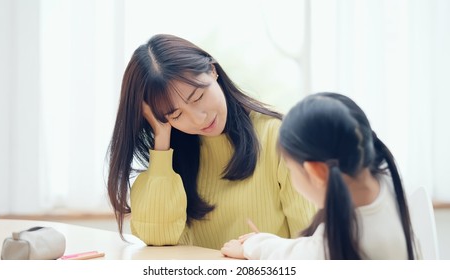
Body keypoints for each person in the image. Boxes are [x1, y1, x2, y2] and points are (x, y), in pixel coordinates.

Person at [106, 34, 316, 250]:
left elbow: (310, 248)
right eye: (176, 115)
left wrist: (260, 253)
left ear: (212, 70)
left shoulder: (279, 136)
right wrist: (161, 139)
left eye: (197, 97)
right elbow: (157, 238)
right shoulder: (173, 158)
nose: (198, 118)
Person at [221, 92, 420, 259]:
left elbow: (302, 256)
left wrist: (253, 245)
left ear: (316, 172)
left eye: (291, 169)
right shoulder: (385, 181)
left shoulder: (340, 242)